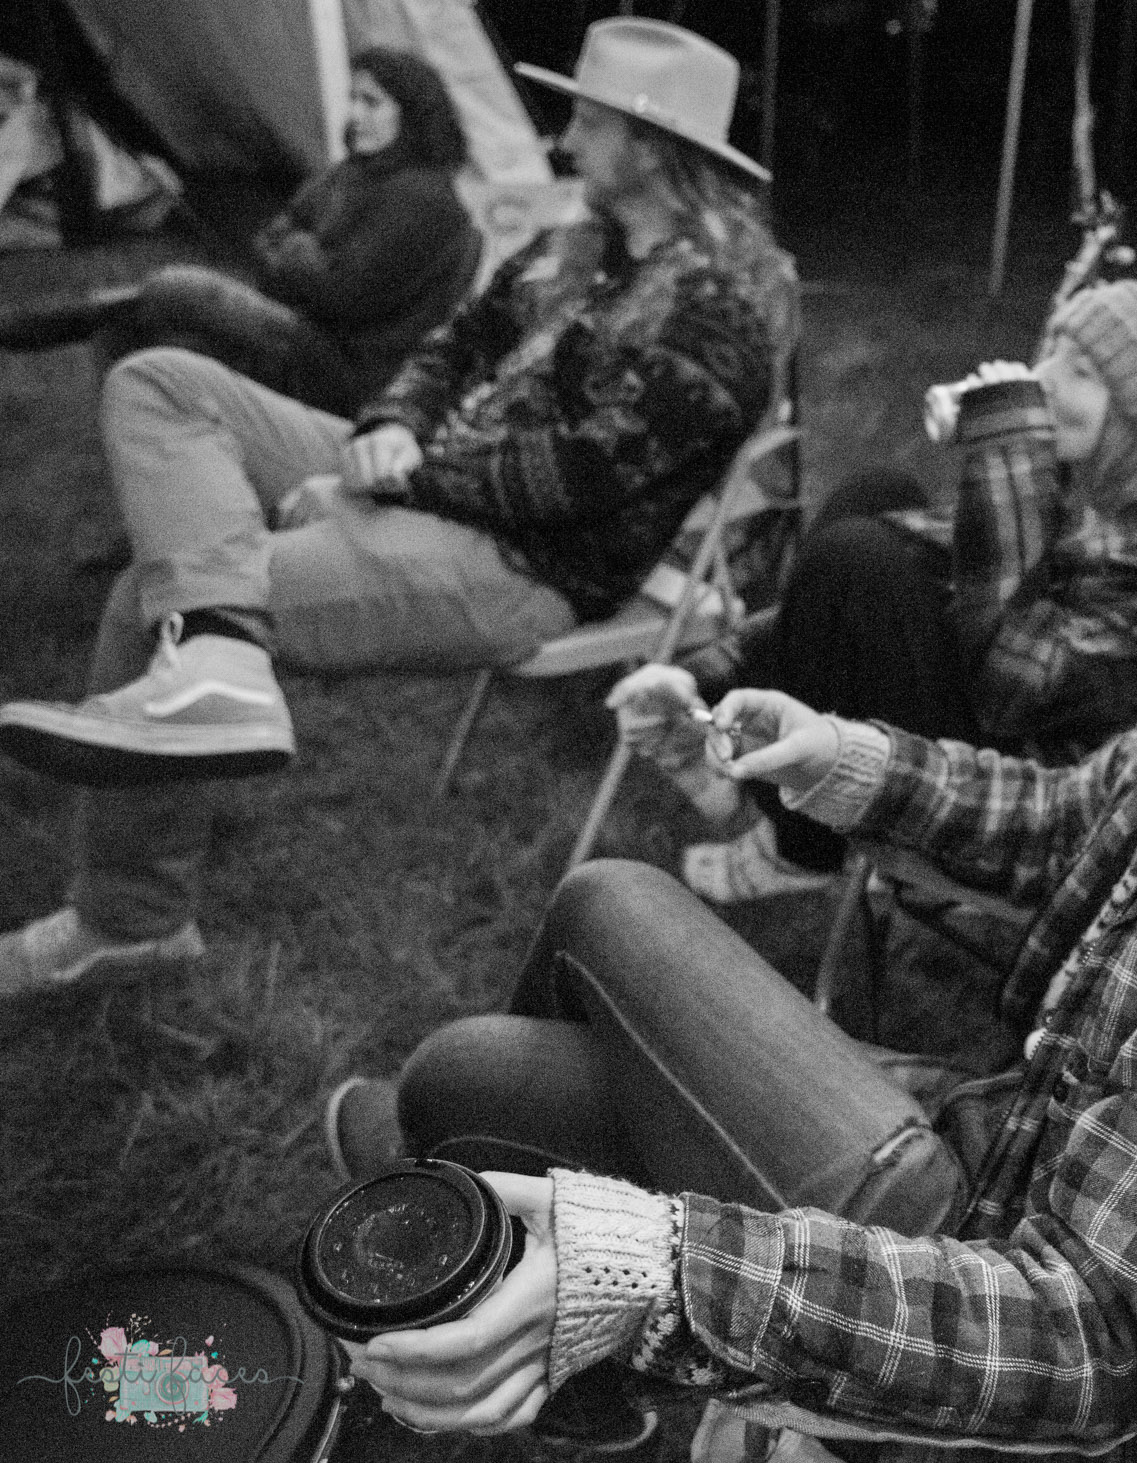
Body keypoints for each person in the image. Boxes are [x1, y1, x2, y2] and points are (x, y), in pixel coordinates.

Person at [329, 400, 1137, 1460]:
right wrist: (838, 757)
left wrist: (667, 1273)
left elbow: (1092, 1340)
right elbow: (1065, 820)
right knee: (463, 1076)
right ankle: (543, 1344)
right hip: (1001, 1141)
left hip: (995, 1279)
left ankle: (499, 1296)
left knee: (605, 903)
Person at [0, 19, 796, 1000]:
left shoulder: (717, 317)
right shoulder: (575, 247)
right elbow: (449, 345)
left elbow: (582, 478)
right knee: (163, 381)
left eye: (588, 122)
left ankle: (130, 921)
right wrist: (391, 422)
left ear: (651, 148)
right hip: (432, 475)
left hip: (524, 567)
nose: (564, 140)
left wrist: (392, 479)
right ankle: (219, 654)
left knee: (145, 596)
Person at [677, 278, 1137, 903]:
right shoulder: (1126, 481)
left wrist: (1011, 450)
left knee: (857, 556)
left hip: (1042, 787)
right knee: (877, 496)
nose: (1046, 379)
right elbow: (984, 568)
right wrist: (716, 667)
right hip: (1015, 704)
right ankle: (736, 725)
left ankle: (798, 841)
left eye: (1081, 371)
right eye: (1053, 354)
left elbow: (1014, 691)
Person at [108, 48, 481, 416]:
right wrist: (303, 256)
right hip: (306, 331)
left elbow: (341, 296)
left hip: (340, 367)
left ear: (412, 114)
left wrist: (297, 250)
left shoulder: (423, 198)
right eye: (353, 99)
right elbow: (268, 240)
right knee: (161, 340)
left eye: (371, 102)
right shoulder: (352, 173)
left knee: (175, 290)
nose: (354, 114)